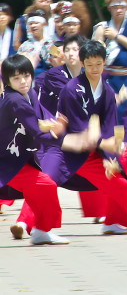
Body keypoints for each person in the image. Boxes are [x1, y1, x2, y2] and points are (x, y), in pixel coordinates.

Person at [34, 40, 127, 235]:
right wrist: (105, 142)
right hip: (66, 148)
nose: (94, 69)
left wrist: (111, 155)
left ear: (104, 62)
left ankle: (112, 222)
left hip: (92, 151)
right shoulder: (71, 88)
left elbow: (110, 125)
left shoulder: (107, 90)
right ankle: (32, 226)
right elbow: (79, 127)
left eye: (98, 64)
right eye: (90, 64)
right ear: (83, 63)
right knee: (47, 182)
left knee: (119, 184)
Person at [0, 55, 71, 244]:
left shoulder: (29, 93)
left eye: (25, 75)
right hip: (7, 160)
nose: (23, 81)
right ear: (7, 81)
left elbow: (41, 115)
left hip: (18, 158)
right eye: (16, 78)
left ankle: (40, 230)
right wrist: (57, 132)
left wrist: (54, 123)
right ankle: (41, 230)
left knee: (42, 187)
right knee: (45, 185)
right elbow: (37, 131)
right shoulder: (14, 100)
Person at [92, 0, 127, 98]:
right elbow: (95, 54)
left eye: (122, 7)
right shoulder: (103, 28)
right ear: (110, 8)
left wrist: (116, 36)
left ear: (126, 8)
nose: (119, 10)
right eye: (115, 7)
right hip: (109, 77)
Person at [17, 9, 56, 76]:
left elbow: (58, 61)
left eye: (36, 23)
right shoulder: (24, 46)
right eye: (31, 24)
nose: (33, 26)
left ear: (43, 24)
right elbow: (18, 65)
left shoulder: (52, 44)